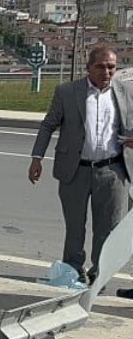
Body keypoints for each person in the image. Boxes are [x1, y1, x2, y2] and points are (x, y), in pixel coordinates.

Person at [29, 45, 133, 285]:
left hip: (112, 171)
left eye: (111, 67)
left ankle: (99, 273)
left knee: (107, 229)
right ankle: (73, 271)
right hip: (75, 170)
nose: (106, 72)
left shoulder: (125, 92)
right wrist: (37, 158)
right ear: (88, 67)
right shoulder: (67, 92)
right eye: (100, 66)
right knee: (75, 226)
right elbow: (48, 125)